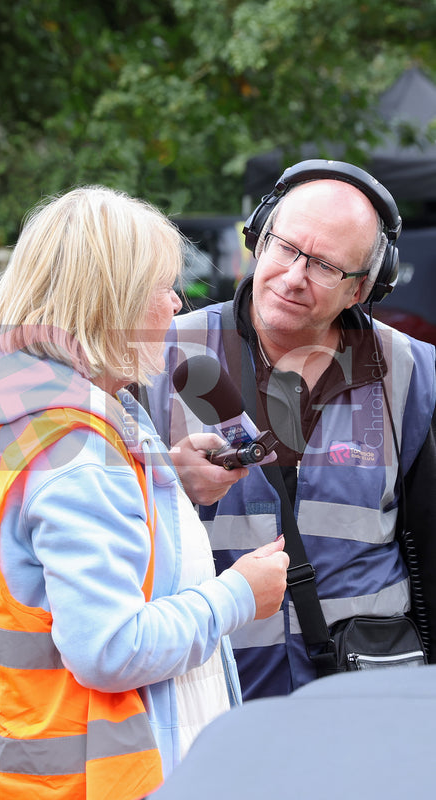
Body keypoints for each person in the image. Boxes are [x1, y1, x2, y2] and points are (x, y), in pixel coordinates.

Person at [0, 186, 289, 799]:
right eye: (162, 285)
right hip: (71, 777)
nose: (176, 301)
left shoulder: (13, 411)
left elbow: (30, 559)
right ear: (114, 303)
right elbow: (110, 648)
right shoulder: (78, 454)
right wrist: (238, 595)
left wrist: (170, 480)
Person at [145, 160, 436, 700]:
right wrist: (164, 485)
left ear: (362, 290)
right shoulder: (156, 354)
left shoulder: (416, 374)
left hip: (369, 706)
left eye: (325, 265)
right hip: (210, 696)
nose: (294, 276)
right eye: (286, 247)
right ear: (258, 239)